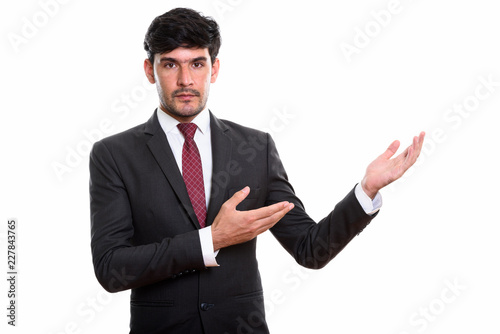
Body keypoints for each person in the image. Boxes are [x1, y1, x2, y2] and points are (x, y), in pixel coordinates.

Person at [89, 7, 425, 334]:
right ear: (150, 71)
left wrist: (365, 191)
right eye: (170, 65)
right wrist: (212, 239)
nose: (185, 80)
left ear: (214, 69)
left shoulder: (256, 148)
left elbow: (311, 249)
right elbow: (111, 268)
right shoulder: (114, 155)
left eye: (197, 63)